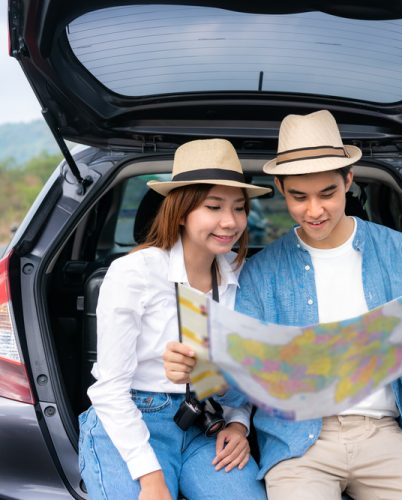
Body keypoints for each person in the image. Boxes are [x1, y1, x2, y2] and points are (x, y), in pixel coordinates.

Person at [164, 111, 402, 499]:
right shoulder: (260, 271)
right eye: (299, 197)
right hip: (297, 443)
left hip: (384, 435)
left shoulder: (401, 252)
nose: (314, 211)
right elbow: (240, 375)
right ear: (280, 189)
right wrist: (231, 414)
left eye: (327, 194)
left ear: (348, 180)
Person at [78, 139, 270, 500]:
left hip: (204, 422)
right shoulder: (135, 272)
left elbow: (240, 374)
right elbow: (108, 390)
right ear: (181, 211)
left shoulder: (238, 277)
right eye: (213, 206)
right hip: (133, 418)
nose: (230, 222)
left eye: (240, 209)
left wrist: (239, 423)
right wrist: (150, 479)